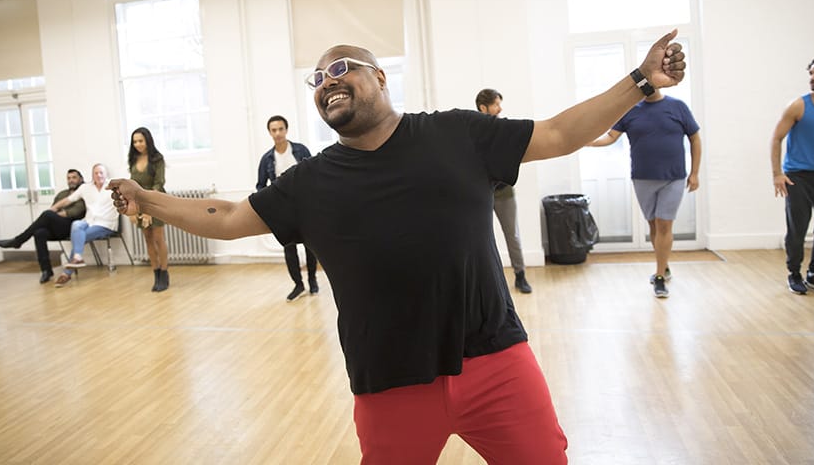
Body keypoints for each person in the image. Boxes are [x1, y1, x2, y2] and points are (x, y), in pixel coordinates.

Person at [109, 31, 686, 463]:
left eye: (341, 67)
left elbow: (558, 133)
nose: (327, 80)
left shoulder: (458, 133)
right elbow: (231, 215)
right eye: (317, 78)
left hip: (495, 362)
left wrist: (640, 81)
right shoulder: (310, 182)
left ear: (381, 78)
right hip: (389, 380)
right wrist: (147, 197)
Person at [588, 87, 700, 298]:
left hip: (673, 177)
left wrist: (694, 173)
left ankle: (659, 277)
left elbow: (695, 138)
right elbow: (611, 137)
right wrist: (586, 141)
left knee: (664, 224)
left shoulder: (677, 107)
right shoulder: (630, 110)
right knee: (654, 226)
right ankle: (663, 265)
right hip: (642, 178)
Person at [770, 55, 814, 295]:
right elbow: (776, 138)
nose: (812, 78)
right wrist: (777, 174)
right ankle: (794, 273)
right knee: (797, 230)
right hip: (798, 177)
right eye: (811, 73)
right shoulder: (798, 106)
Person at [256, 115, 319, 301]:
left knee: (311, 246)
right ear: (270, 133)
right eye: (274, 130)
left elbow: (313, 174)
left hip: (305, 206)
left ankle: (312, 280)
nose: (278, 133)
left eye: (280, 129)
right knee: (289, 248)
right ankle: (298, 285)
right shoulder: (267, 159)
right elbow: (260, 186)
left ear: (286, 130)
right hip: (283, 210)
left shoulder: (300, 150)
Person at [475, 89, 532, 294]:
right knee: (479, 239)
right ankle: (484, 281)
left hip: (503, 193)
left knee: (512, 235)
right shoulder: (473, 130)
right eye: (496, 104)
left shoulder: (504, 129)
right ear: (483, 108)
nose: (500, 109)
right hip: (480, 193)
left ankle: (520, 276)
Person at [0, 169, 86, 283]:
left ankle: (18, 240)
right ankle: (46, 270)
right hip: (58, 227)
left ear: (80, 179)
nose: (71, 180)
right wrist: (53, 215)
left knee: (47, 215)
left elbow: (74, 212)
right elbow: (52, 210)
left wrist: (54, 214)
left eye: (74, 177)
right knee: (39, 233)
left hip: (72, 228)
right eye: (69, 178)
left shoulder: (83, 193)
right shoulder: (62, 194)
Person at [51, 163, 119, 287]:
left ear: (106, 174)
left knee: (79, 237)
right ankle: (77, 257)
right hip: (89, 221)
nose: (99, 175)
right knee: (76, 224)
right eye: (96, 173)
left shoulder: (114, 187)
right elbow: (68, 200)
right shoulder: (85, 188)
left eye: (101, 173)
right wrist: (53, 209)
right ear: (92, 175)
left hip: (106, 224)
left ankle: (66, 273)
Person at [129, 127, 170, 292]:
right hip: (140, 203)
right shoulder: (133, 159)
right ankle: (156, 273)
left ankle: (164, 273)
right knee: (148, 239)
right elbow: (132, 185)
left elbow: (159, 183)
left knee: (158, 238)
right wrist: (133, 209)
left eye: (140, 141)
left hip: (156, 201)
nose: (138, 144)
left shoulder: (157, 159)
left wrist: (149, 209)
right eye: (135, 142)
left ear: (147, 141)